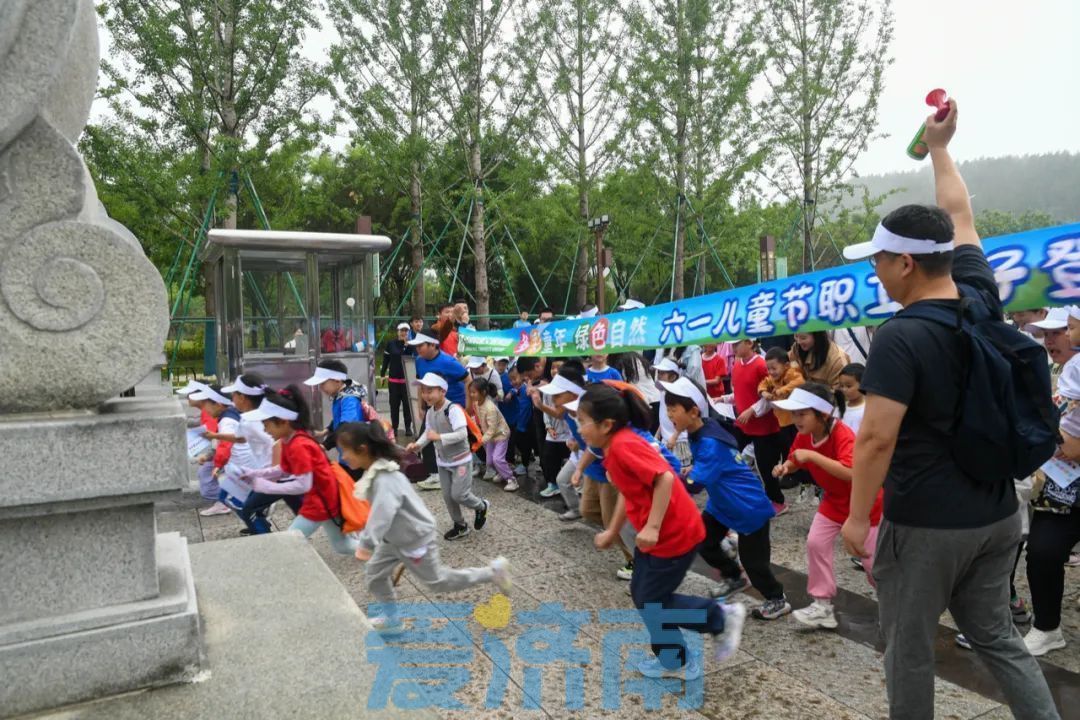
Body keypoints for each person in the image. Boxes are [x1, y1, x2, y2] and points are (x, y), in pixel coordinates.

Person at [839, 101, 1059, 720]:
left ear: (906, 263)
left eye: (879, 259)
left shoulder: (900, 336)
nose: (876, 271)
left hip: (927, 526)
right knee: (998, 639)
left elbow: (876, 439)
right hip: (996, 515)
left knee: (908, 649)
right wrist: (940, 147)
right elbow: (959, 213)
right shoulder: (980, 293)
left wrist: (856, 518)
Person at [576, 383, 747, 679]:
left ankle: (719, 618)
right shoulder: (613, 447)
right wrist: (613, 530)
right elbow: (629, 492)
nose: (579, 429)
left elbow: (664, 478)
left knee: (653, 601)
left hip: (674, 533)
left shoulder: (624, 446)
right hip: (657, 533)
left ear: (606, 424)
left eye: (582, 421)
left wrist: (653, 527)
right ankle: (673, 659)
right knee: (643, 595)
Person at [339, 422, 511, 634]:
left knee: (438, 582)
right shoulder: (377, 472)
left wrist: (366, 544)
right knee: (374, 576)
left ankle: (493, 573)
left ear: (363, 449)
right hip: (394, 539)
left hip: (414, 538)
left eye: (345, 451)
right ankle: (392, 620)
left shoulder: (385, 478)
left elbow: (382, 514)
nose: (343, 456)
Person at [661, 377, 790, 620]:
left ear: (694, 411)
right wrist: (692, 468)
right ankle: (734, 577)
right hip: (722, 504)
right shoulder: (700, 429)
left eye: (673, 409)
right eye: (667, 408)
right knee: (703, 539)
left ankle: (777, 598)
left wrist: (665, 476)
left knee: (755, 564)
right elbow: (710, 465)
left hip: (748, 507)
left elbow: (693, 485)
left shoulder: (709, 441)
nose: (669, 414)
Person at [773, 384, 882, 629]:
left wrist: (812, 456)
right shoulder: (804, 434)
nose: (796, 419)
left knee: (872, 563)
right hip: (833, 500)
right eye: (794, 414)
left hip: (864, 504)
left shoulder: (843, 434)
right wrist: (785, 467)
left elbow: (851, 471)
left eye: (802, 414)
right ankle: (822, 606)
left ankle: (892, 603)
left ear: (822, 414)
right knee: (816, 543)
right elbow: (795, 458)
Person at [1023, 305, 1080, 656]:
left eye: (1061, 331)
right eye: (1046, 334)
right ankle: (1046, 627)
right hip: (1060, 487)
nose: (1051, 340)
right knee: (1043, 551)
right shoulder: (1054, 372)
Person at [242, 387, 358, 555]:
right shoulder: (289, 439)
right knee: (343, 546)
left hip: (321, 502)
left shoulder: (299, 445)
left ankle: (382, 552)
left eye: (266, 425)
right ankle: (382, 552)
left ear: (283, 421)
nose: (265, 430)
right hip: (326, 498)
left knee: (289, 543)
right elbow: (283, 470)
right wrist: (255, 474)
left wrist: (267, 487)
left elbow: (303, 484)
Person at [406, 373, 490, 541]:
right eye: (423, 391)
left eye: (430, 391)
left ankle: (481, 506)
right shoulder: (430, 412)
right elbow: (428, 433)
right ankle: (460, 525)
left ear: (442, 391)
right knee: (448, 496)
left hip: (460, 460)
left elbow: (461, 434)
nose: (425, 395)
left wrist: (439, 437)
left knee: (459, 495)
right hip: (443, 461)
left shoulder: (452, 410)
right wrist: (417, 445)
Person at [209, 374, 287, 535]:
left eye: (233, 395)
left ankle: (263, 534)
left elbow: (278, 442)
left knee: (244, 507)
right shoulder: (247, 418)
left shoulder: (257, 419)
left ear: (242, 397)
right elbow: (241, 438)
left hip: (271, 474)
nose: (232, 399)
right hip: (260, 472)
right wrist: (215, 436)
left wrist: (273, 475)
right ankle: (260, 523)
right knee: (240, 502)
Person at [727, 339, 788, 513]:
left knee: (765, 466)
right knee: (731, 455)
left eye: (736, 344)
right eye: (732, 345)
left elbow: (770, 395)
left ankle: (778, 501)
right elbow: (740, 391)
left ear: (749, 343)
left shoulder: (762, 365)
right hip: (743, 424)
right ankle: (742, 494)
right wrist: (723, 399)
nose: (733, 348)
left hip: (765, 426)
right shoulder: (737, 364)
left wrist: (752, 410)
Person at [409, 328, 470, 490]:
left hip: (453, 405)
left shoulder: (448, 361)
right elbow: (421, 384)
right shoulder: (419, 361)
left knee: (455, 437)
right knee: (428, 435)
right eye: (416, 346)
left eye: (420, 345)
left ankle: (462, 467)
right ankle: (436, 473)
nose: (417, 349)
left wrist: (469, 404)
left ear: (433, 345)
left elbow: (468, 379)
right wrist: (421, 406)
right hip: (433, 406)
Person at [303, 359, 368, 456]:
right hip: (347, 453)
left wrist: (324, 445)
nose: (321, 388)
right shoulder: (340, 396)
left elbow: (345, 427)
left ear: (337, 379)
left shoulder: (349, 399)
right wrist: (325, 431)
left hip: (356, 454)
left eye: (323, 384)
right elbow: (339, 418)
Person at [198, 384, 238, 517]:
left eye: (206, 405)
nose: (205, 409)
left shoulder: (226, 421)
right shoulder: (230, 414)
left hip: (238, 461)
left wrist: (218, 464)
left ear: (218, 405)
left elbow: (225, 444)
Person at [534, 359, 572, 499]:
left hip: (569, 434)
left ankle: (570, 486)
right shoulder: (548, 389)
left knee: (570, 459)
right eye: (552, 367)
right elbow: (546, 411)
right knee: (549, 458)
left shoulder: (571, 390)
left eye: (559, 368)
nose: (555, 370)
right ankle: (553, 485)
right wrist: (548, 426)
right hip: (553, 433)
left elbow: (562, 413)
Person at [471, 377, 514, 486]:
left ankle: (511, 479)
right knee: (489, 461)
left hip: (501, 435)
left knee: (497, 459)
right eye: (470, 392)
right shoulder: (476, 403)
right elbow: (478, 418)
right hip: (490, 436)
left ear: (483, 392)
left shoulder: (490, 407)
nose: (471, 395)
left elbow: (492, 428)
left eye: (474, 392)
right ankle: (501, 472)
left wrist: (481, 440)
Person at [654, 358, 693, 472]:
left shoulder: (677, 393)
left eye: (663, 373)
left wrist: (675, 436)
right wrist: (657, 434)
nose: (659, 375)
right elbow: (664, 416)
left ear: (672, 376)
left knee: (679, 472)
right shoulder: (663, 391)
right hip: (666, 440)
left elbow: (683, 419)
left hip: (678, 441)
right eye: (659, 372)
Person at [610, 352, 661, 434]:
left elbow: (624, 385)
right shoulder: (635, 357)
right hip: (656, 398)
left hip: (644, 403)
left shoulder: (623, 362)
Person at [380, 323, 415, 436]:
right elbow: (386, 359)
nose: (404, 333)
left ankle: (408, 427)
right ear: (398, 331)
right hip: (393, 381)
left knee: (407, 406)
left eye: (406, 331)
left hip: (406, 381)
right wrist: (382, 374)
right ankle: (394, 427)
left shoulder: (412, 345)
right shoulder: (391, 344)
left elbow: (411, 359)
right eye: (402, 330)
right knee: (394, 405)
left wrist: (407, 345)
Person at [837, 364, 866, 435]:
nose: (844, 389)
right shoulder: (839, 408)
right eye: (841, 386)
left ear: (862, 384)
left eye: (848, 386)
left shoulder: (866, 411)